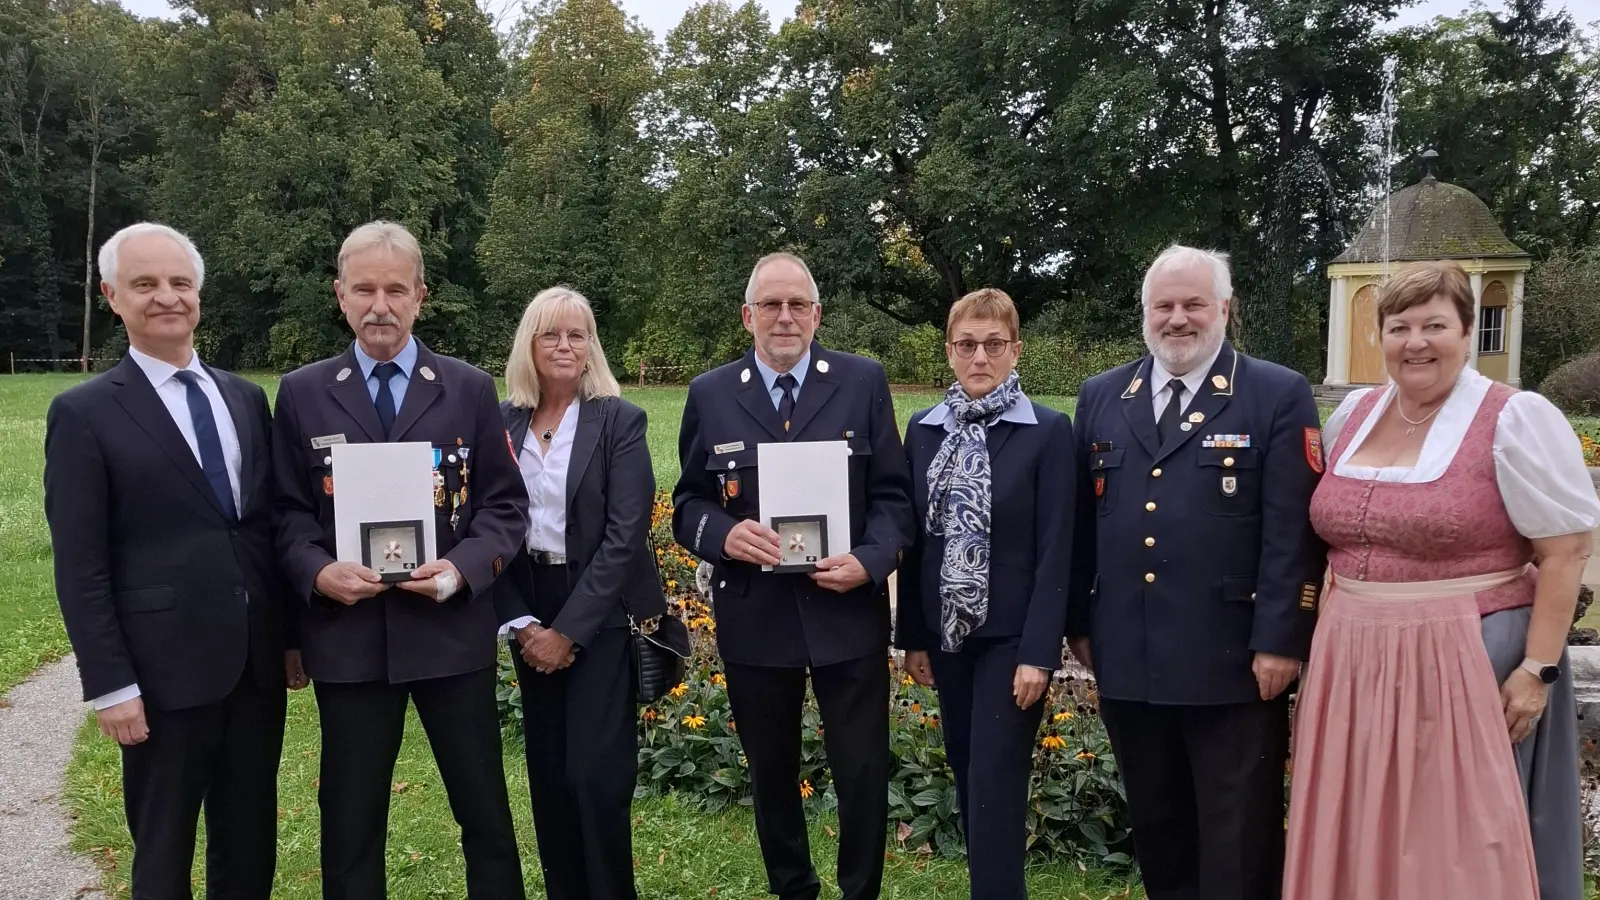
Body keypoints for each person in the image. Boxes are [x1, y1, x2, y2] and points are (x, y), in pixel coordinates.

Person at [1283, 261, 1597, 900]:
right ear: (1380, 335)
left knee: (1455, 837)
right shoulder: (1355, 414)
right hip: (1350, 652)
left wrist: (1536, 670)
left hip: (1464, 653)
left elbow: (1565, 552)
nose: (1415, 342)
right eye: (1399, 327)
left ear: (1467, 331)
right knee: (1358, 817)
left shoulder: (1514, 418)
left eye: (1435, 325)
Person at [271, 221, 527, 900]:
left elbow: (505, 507)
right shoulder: (302, 392)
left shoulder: (468, 388)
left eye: (395, 290)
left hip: (451, 637)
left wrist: (461, 569)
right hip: (349, 643)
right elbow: (286, 512)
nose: (379, 305)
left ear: (420, 296)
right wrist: (316, 572)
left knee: (484, 815)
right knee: (350, 826)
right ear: (340, 295)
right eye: (364, 290)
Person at [42, 222, 298, 900]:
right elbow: (80, 564)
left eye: (180, 283)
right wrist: (111, 685)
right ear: (112, 296)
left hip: (253, 669)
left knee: (249, 845)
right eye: (145, 284)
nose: (166, 297)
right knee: (163, 853)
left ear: (199, 295)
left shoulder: (244, 398)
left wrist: (290, 639)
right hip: (160, 676)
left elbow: (264, 529)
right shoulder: (84, 414)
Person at [1065, 244, 1324, 900]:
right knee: (1160, 830)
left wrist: (1282, 639)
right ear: (1145, 313)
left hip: (1233, 663)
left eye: (1193, 304)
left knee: (1240, 839)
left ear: (1225, 310)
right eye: (1163, 306)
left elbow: (1293, 531)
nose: (1177, 318)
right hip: (1130, 658)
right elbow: (1081, 527)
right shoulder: (1102, 396)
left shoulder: (1275, 394)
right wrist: (1079, 622)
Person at [671, 252, 915, 900]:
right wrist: (724, 536)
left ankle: (860, 892)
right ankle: (793, 889)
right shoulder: (711, 393)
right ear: (747, 316)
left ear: (817, 315)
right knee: (772, 772)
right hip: (757, 615)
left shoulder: (861, 381)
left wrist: (872, 559)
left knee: (862, 771)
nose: (785, 317)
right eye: (771, 305)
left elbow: (893, 497)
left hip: (847, 611)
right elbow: (688, 503)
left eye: (797, 305)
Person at [896, 288, 1075, 900]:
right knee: (969, 770)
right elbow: (914, 541)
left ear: (1016, 350)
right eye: (967, 344)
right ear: (949, 351)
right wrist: (912, 638)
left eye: (994, 344)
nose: (980, 357)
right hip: (946, 635)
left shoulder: (1047, 431)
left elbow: (1057, 548)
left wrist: (1039, 653)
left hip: (1011, 640)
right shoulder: (925, 429)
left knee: (996, 780)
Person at [491, 286, 666, 900]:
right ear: (529, 344)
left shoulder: (619, 420)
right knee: (550, 778)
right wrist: (522, 622)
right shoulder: (503, 421)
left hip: (600, 611)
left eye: (577, 334)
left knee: (596, 778)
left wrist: (567, 631)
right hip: (529, 604)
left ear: (591, 345)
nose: (565, 345)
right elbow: (489, 524)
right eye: (551, 334)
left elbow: (626, 533)